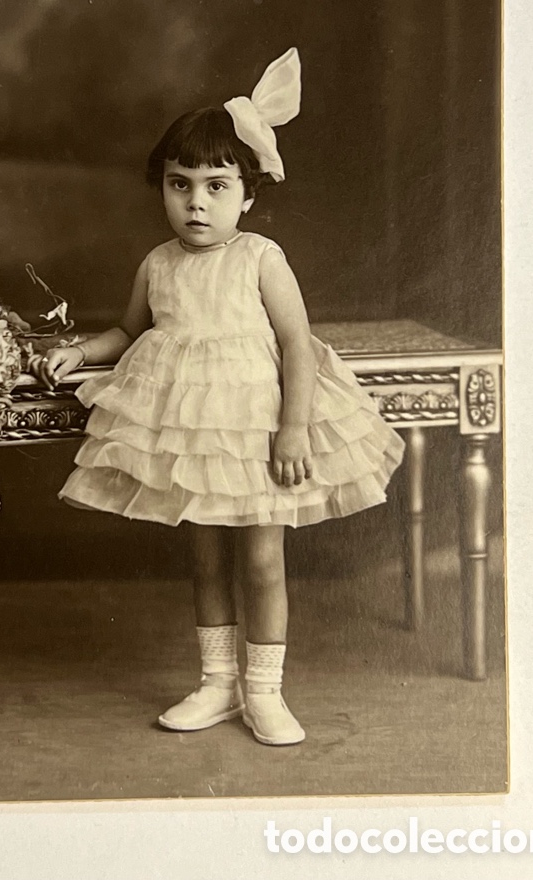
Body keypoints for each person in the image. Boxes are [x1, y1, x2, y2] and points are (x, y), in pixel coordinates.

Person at [35, 48, 405, 746]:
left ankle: (263, 691)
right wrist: (80, 351)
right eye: (179, 185)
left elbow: (297, 344)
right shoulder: (157, 263)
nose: (196, 202)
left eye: (215, 186)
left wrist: (291, 429)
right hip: (190, 430)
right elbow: (126, 329)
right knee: (204, 556)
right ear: (162, 189)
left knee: (261, 558)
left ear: (249, 194)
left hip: (256, 427)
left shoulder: (259, 258)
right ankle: (215, 683)